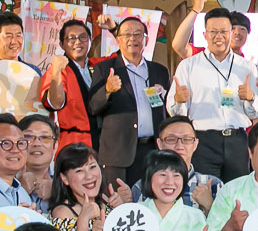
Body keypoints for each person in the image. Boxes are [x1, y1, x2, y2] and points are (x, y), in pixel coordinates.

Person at [170, 6, 258, 182]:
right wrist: (179, 101)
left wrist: (251, 98)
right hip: (203, 140)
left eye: (223, 31)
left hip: (237, 140)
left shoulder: (246, 66)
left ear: (231, 33)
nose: (218, 36)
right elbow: (175, 113)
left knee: (237, 195)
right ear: (205, 35)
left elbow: (255, 112)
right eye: (213, 31)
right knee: (204, 193)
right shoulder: (189, 66)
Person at [87, 15, 171, 186]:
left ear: (146, 40)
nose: (132, 39)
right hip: (118, 154)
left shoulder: (160, 70)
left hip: (153, 150)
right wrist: (107, 90)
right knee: (117, 205)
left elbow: (167, 109)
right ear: (118, 40)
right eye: (127, 35)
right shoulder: (105, 68)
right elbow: (93, 107)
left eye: (138, 34)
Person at [38, 16, 98, 153]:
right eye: (71, 38)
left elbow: (123, 56)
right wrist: (56, 72)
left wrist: (113, 29)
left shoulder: (97, 65)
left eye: (83, 37)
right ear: (61, 44)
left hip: (101, 142)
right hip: (73, 143)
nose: (78, 42)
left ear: (90, 41)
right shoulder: (58, 70)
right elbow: (55, 103)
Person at [48, 143, 124, 231]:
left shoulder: (107, 203)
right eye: (79, 171)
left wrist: (122, 210)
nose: (89, 176)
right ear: (65, 179)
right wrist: (83, 222)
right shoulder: (62, 212)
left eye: (92, 167)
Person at [153, 117, 221, 213]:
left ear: (195, 144)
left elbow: (223, 226)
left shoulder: (213, 184)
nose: (179, 146)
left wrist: (209, 206)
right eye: (172, 139)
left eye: (187, 139)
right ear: (159, 144)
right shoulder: (145, 185)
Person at [18, 113, 60, 209]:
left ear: (55, 146)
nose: (36, 143)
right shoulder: (5, 180)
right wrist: (18, 189)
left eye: (44, 138)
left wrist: (58, 190)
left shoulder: (67, 179)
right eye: (28, 137)